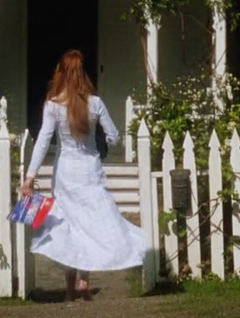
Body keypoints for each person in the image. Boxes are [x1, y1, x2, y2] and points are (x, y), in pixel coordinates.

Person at [21, 49, 146, 302]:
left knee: (70, 226)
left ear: (62, 73)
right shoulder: (95, 103)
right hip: (89, 171)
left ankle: (69, 289)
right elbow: (114, 135)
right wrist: (106, 143)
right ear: (83, 72)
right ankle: (84, 281)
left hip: (66, 172)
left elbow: (43, 141)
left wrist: (29, 177)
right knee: (89, 225)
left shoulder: (53, 106)